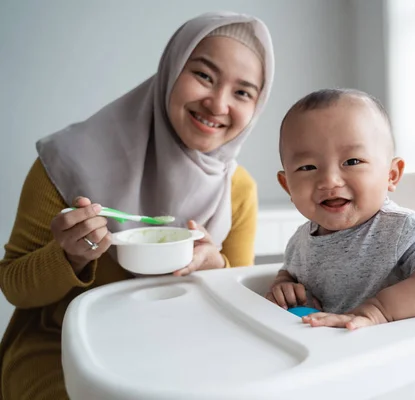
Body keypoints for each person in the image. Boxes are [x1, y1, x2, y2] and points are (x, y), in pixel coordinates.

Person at [0, 11, 274, 399]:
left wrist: (219, 269)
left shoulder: (238, 189)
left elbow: (239, 310)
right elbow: (14, 285)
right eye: (204, 76)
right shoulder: (69, 161)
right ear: (170, 71)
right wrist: (69, 257)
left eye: (242, 92)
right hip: (62, 350)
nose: (218, 104)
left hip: (185, 355)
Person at [265, 88, 415, 330]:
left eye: (352, 162)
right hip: (330, 353)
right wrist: (284, 285)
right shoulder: (300, 241)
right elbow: (291, 273)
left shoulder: (400, 229)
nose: (330, 180)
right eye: (308, 167)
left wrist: (379, 310)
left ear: (391, 175)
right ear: (287, 186)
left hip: (393, 352)